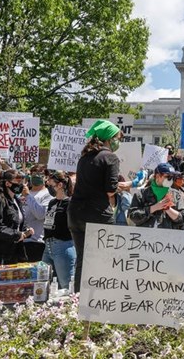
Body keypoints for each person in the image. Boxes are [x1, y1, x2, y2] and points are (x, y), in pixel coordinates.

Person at [68, 119, 122, 293]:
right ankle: (101, 300)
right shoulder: (111, 157)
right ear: (109, 138)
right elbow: (110, 190)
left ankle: (78, 299)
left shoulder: (84, 157)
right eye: (117, 138)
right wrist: (126, 185)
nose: (118, 141)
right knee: (104, 260)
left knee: (82, 260)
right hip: (97, 214)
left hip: (75, 214)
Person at [0, 170, 33, 265]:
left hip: (13, 252)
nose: (21, 184)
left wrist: (26, 230)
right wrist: (16, 235)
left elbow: (17, 222)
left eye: (22, 181)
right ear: (7, 183)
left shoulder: (16, 200)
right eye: (18, 181)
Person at [42, 172, 76, 291]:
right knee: (43, 282)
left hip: (63, 245)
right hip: (48, 245)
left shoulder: (71, 203)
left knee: (66, 284)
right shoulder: (52, 202)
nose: (49, 188)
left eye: (51, 185)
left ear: (60, 185)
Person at [128, 163, 184, 229]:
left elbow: (183, 219)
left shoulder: (176, 195)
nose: (171, 180)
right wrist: (154, 208)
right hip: (146, 234)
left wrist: (168, 209)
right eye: (168, 177)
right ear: (158, 176)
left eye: (173, 177)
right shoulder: (142, 194)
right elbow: (133, 217)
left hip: (168, 234)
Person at [23, 167, 52, 262]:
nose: (36, 176)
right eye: (34, 174)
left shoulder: (48, 195)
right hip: (20, 240)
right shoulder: (23, 192)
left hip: (35, 242)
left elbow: (40, 215)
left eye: (40, 174)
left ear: (46, 177)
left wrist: (28, 196)